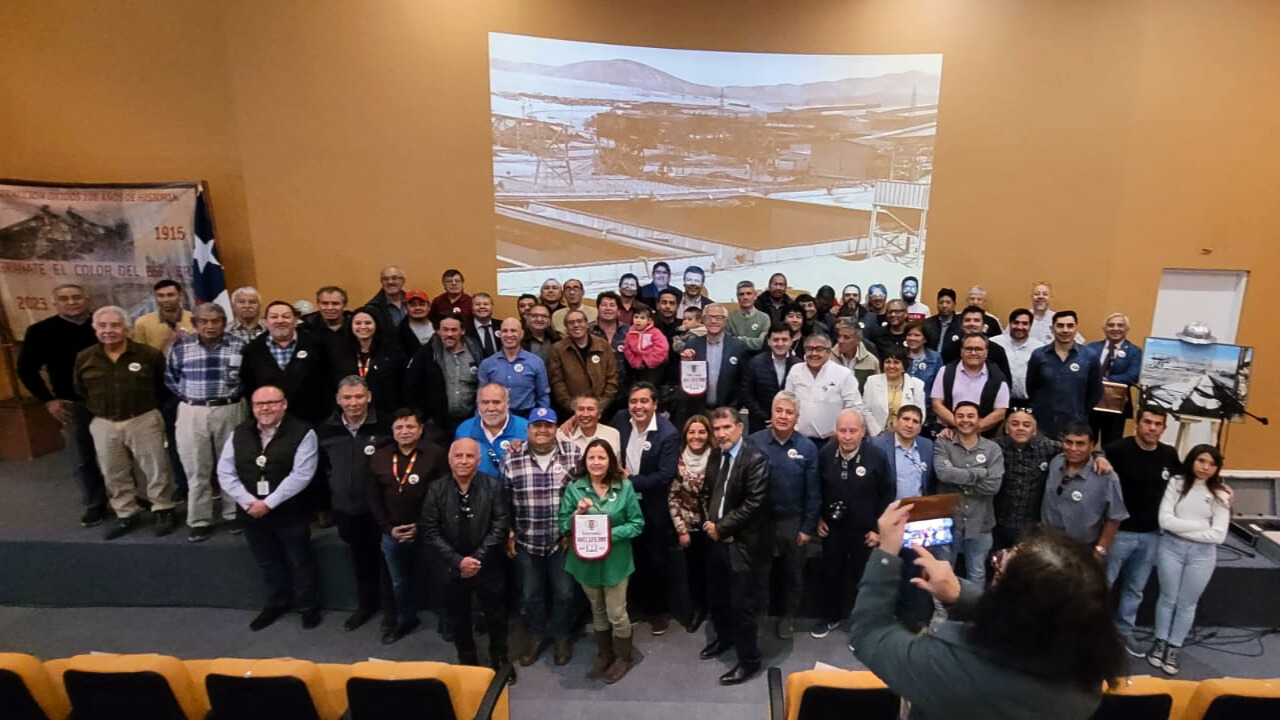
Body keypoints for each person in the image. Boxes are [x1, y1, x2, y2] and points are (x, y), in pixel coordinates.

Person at [849, 502, 1126, 719]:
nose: (996, 561)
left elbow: (870, 634)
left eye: (999, 568)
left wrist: (886, 552)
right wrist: (962, 596)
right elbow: (1022, 622)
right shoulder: (1086, 671)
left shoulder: (949, 664)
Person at [217, 385, 322, 631]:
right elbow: (225, 471)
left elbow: (302, 474)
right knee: (268, 562)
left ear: (284, 404)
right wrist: (248, 502)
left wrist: (269, 503)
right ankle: (277, 603)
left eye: (271, 402)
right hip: (251, 512)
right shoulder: (240, 432)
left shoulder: (303, 431)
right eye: (259, 404)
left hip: (290, 511)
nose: (265, 408)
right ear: (252, 407)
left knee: (300, 561)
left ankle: (308, 607)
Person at [74, 305, 180, 540]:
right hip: (103, 422)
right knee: (113, 470)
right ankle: (126, 512)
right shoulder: (85, 358)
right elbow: (80, 390)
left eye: (115, 325)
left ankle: (163, 508)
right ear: (95, 329)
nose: (108, 330)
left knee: (155, 468)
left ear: (127, 329)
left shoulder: (148, 355)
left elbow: (164, 388)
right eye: (102, 326)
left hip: (142, 418)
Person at [421, 438, 513, 677]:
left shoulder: (493, 486)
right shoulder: (436, 489)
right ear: (449, 459)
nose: (463, 461)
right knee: (458, 618)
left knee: (496, 615)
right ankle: (467, 659)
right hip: (451, 567)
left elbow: (500, 525)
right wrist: (457, 561)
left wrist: (477, 559)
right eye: (458, 456)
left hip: (487, 564)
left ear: (479, 460)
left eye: (469, 456)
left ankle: (500, 657)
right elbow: (430, 531)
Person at [17, 283, 105, 526]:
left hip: (109, 402)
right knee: (81, 456)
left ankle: (127, 498)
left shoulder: (103, 326)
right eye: (64, 299)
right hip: (71, 403)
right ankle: (94, 503)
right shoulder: (40, 331)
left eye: (76, 297)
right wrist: (47, 400)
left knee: (118, 454)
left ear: (87, 299)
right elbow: (26, 369)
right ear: (55, 303)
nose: (71, 302)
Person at [502, 407, 583, 667]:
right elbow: (503, 501)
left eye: (548, 425)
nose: (542, 430)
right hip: (526, 540)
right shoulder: (511, 458)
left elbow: (585, 494)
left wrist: (573, 531)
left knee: (565, 593)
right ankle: (537, 635)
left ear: (556, 428)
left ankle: (561, 635)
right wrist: (510, 532)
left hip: (563, 540)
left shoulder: (573, 454)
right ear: (528, 430)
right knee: (529, 595)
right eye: (537, 426)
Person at [560, 438, 646, 683]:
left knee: (617, 612)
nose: (596, 462)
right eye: (591, 458)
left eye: (601, 457)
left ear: (610, 462)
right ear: (585, 461)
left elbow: (637, 524)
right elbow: (564, 525)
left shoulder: (625, 487)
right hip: (585, 561)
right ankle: (604, 654)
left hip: (616, 561)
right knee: (597, 610)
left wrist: (607, 534)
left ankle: (623, 657)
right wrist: (578, 514)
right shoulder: (575, 488)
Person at [698, 407, 771, 685]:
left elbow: (754, 504)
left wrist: (724, 528)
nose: (721, 434)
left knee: (742, 606)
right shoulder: (716, 454)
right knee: (717, 598)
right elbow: (706, 492)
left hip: (742, 544)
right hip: (715, 540)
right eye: (716, 429)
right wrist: (709, 524)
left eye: (726, 427)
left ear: (739, 428)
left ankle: (749, 661)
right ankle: (724, 639)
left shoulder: (756, 459)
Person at [316, 376, 395, 633]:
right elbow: (322, 469)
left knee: (387, 563)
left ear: (369, 397)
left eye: (359, 397)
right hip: (346, 509)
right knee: (360, 561)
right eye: (347, 398)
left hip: (382, 510)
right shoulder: (326, 429)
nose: (353, 403)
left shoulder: (386, 425)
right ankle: (366, 605)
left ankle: (391, 611)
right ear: (338, 400)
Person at [165, 303, 247, 541]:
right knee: (196, 466)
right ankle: (200, 519)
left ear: (224, 322)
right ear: (195, 323)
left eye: (216, 321)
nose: (210, 326)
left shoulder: (239, 345)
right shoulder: (181, 346)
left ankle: (234, 513)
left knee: (232, 464)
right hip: (193, 410)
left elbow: (247, 376)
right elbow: (171, 378)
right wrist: (193, 400)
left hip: (230, 408)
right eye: (204, 321)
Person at [1149, 444, 1232, 676]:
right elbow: (1165, 521)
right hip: (1171, 548)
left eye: (1211, 464)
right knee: (1167, 598)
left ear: (1217, 468)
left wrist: (1183, 527)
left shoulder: (1221, 494)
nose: (1205, 467)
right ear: (1192, 460)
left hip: (1202, 555)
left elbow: (1219, 534)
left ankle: (1174, 646)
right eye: (1201, 461)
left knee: (1187, 603)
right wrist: (1200, 526)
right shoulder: (1176, 483)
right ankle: (1160, 641)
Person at [1104, 408, 1181, 656]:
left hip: (1151, 536)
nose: (1152, 428)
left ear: (1164, 428)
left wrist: (1220, 489)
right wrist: (1098, 457)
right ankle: (1094, 633)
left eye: (1158, 424)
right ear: (1137, 424)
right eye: (1147, 422)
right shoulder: (1117, 450)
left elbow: (1184, 484)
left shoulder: (1169, 455)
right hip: (1119, 533)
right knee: (1103, 585)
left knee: (1135, 589)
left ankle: (1124, 633)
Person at [812, 410, 894, 640]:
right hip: (833, 529)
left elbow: (887, 494)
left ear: (863, 432)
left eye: (852, 431)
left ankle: (860, 626)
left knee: (863, 579)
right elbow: (816, 489)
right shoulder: (826, 453)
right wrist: (819, 517)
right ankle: (831, 616)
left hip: (865, 531)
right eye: (842, 431)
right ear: (836, 431)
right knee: (831, 574)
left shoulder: (877, 456)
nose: (847, 436)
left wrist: (879, 530)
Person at [369, 408, 446, 644]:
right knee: (399, 581)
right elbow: (373, 497)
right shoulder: (379, 457)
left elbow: (444, 496)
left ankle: (447, 622)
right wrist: (387, 528)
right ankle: (405, 619)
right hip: (392, 532)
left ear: (421, 429)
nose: (405, 432)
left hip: (430, 531)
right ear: (392, 431)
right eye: (399, 427)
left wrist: (422, 525)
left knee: (439, 578)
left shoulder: (436, 455)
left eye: (410, 426)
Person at [610, 382, 680, 634]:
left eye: (643, 401)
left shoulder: (667, 433)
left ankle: (658, 611)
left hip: (653, 506)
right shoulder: (619, 420)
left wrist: (629, 480)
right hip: (624, 505)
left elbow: (665, 476)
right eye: (633, 401)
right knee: (632, 556)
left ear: (655, 404)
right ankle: (638, 605)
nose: (637, 407)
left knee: (656, 559)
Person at [749, 392, 819, 640]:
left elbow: (813, 492)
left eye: (789, 412)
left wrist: (807, 527)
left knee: (793, 574)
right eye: (779, 410)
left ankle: (788, 617)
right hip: (760, 522)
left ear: (797, 418)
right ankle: (759, 615)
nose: (783, 416)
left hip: (793, 521)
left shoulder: (807, 448)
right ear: (771, 413)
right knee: (760, 574)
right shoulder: (754, 441)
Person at [934, 401, 1004, 583]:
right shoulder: (943, 442)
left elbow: (993, 486)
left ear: (979, 419)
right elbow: (942, 474)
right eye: (961, 416)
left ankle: (972, 612)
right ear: (954, 419)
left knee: (977, 573)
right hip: (948, 521)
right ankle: (942, 613)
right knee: (943, 574)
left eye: (971, 416)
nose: (966, 420)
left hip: (980, 522)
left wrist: (957, 479)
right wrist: (980, 473)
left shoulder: (992, 449)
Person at [240, 300, 336, 426]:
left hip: (312, 420)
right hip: (269, 422)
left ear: (296, 320)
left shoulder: (316, 345)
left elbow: (328, 382)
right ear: (265, 322)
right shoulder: (252, 349)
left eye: (286, 316)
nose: (280, 321)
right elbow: (248, 386)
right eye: (274, 317)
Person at [1040, 422, 1128, 555]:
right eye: (1068, 442)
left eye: (1080, 444)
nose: (1073, 448)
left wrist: (1099, 551)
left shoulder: (1106, 477)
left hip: (1081, 549)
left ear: (1092, 446)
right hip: (1046, 543)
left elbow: (1115, 518)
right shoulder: (1056, 462)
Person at [669, 415, 713, 633]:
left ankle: (716, 610)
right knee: (694, 572)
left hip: (715, 526)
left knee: (716, 569)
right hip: (689, 527)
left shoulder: (718, 458)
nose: (697, 436)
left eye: (701, 432)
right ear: (685, 435)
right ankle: (699, 609)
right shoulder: (677, 461)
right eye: (692, 432)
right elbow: (673, 496)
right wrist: (681, 529)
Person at [1026, 311, 1103, 439]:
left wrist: (1080, 412)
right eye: (1060, 326)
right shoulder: (1039, 355)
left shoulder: (1090, 357)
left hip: (1075, 424)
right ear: (1052, 328)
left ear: (1076, 328)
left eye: (1070, 326)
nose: (1065, 330)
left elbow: (1095, 391)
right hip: (1042, 423)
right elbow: (1031, 388)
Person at [785, 332, 869, 445]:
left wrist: (840, 432)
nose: (814, 353)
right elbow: (787, 402)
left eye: (819, 349)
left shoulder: (843, 374)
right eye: (809, 349)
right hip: (798, 439)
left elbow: (855, 407)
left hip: (831, 441)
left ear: (828, 351)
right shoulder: (796, 370)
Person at [407, 315, 477, 437]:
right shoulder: (426, 354)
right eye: (445, 329)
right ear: (438, 331)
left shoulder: (476, 351)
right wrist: (423, 417)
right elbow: (411, 386)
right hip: (436, 424)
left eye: (454, 330)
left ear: (463, 331)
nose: (449, 334)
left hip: (470, 421)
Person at [931, 332, 1010, 437]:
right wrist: (959, 426)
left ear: (986, 352)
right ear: (961, 351)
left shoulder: (998, 377)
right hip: (948, 434)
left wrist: (972, 429)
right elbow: (936, 404)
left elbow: (1000, 413)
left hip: (983, 437)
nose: (973, 352)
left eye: (978, 349)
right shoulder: (945, 371)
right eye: (968, 349)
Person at [678, 304, 748, 417]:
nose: (713, 321)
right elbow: (684, 380)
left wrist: (733, 408)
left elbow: (744, 382)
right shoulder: (692, 344)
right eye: (709, 317)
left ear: (726, 321)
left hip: (727, 411)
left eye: (719, 317)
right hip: (698, 411)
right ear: (703, 320)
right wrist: (686, 364)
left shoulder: (738, 347)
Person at [334, 306, 406, 413]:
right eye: (358, 323)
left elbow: (401, 384)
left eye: (368, 323)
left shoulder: (392, 352)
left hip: (385, 413)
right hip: (351, 411)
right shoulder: (341, 353)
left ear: (376, 325)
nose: (363, 327)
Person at [547, 309, 618, 418]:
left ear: (586, 324)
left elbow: (612, 378)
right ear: (566, 327)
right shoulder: (557, 349)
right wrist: (573, 407)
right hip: (571, 413)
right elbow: (557, 383)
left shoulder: (603, 345)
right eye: (571, 323)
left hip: (603, 411)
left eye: (579, 321)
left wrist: (601, 405)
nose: (576, 325)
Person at [1088, 313, 1144, 445]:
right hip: (1091, 405)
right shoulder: (1091, 348)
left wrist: (1104, 380)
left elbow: (1132, 376)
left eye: (1120, 325)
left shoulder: (1134, 351)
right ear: (1104, 328)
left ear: (1127, 329)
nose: (1115, 328)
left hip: (1116, 406)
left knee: (1112, 445)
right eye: (1111, 325)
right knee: (1088, 441)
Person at [478, 317, 550, 417]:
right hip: (496, 417)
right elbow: (481, 398)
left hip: (526, 417)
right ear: (499, 334)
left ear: (521, 334)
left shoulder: (536, 362)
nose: (509, 335)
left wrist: (541, 420)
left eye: (513, 331)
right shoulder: (487, 364)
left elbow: (543, 396)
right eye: (504, 331)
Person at [455, 383, 529, 476]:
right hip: (477, 489)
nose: (491, 408)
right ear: (478, 404)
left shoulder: (526, 429)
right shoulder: (464, 429)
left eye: (496, 402)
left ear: (508, 403)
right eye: (485, 402)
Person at [739, 324, 801, 433]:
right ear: (768, 341)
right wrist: (768, 417)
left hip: (790, 426)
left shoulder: (799, 365)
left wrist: (783, 417)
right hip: (760, 424)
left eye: (784, 339)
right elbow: (746, 393)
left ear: (791, 341)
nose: (780, 343)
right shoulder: (755, 363)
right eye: (776, 340)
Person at [871, 404, 935, 501]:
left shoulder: (927, 446)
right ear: (896, 422)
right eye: (906, 419)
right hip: (888, 510)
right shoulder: (878, 445)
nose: (910, 425)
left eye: (915, 421)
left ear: (920, 428)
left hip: (920, 509)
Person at [862, 348, 928, 436]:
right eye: (888, 362)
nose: (891, 366)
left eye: (896, 362)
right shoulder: (872, 381)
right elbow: (866, 410)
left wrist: (906, 432)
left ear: (904, 365)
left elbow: (920, 415)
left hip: (905, 436)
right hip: (876, 436)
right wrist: (878, 434)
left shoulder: (917, 385)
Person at [990, 308, 1043, 406]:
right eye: (1016, 322)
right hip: (998, 402)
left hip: (1029, 402)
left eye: (1025, 323)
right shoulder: (994, 343)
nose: (1020, 327)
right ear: (1010, 323)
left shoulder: (1039, 348)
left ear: (1030, 326)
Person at [131, 279, 193, 351]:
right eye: (161, 296)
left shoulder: (194, 319)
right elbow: (139, 353)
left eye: (170, 295)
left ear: (180, 296)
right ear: (155, 297)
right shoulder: (142, 322)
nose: (165, 299)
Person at [556, 394, 622, 456]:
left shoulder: (612, 434)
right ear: (575, 413)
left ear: (599, 414)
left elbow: (616, 465)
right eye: (580, 409)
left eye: (590, 409)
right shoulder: (562, 435)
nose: (585, 414)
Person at [621, 303, 669, 387]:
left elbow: (662, 347)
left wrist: (649, 361)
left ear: (649, 320)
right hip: (638, 367)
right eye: (636, 317)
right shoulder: (630, 333)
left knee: (651, 386)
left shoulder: (655, 332)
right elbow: (627, 349)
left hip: (653, 366)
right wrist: (635, 362)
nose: (638, 320)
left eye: (642, 318)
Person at [830, 318, 880, 391]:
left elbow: (876, 390)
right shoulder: (828, 358)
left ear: (858, 339)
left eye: (846, 337)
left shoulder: (871, 361)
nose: (840, 341)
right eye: (839, 336)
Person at [904, 322, 943, 406]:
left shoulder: (935, 358)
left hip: (926, 407)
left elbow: (939, 387)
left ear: (925, 339)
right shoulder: (900, 355)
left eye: (917, 335)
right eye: (909, 335)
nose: (912, 338)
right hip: (902, 405)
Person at [725, 280, 770, 351]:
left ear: (755, 296)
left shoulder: (764, 318)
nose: (745, 297)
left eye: (749, 293)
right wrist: (754, 341)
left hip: (758, 358)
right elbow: (727, 343)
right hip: (735, 358)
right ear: (737, 297)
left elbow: (762, 343)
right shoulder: (730, 318)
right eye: (741, 294)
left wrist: (738, 339)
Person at [396, 289, 436, 356]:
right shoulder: (398, 333)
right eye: (412, 305)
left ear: (429, 307)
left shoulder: (440, 327)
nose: (417, 308)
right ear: (405, 308)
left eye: (422, 304)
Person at [922, 287, 960, 354]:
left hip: (951, 362)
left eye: (948, 302)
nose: (944, 306)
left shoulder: (960, 324)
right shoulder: (927, 323)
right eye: (941, 302)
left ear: (954, 304)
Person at [465, 292, 499, 359]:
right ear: (471, 308)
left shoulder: (502, 326)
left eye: (486, 304)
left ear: (492, 307)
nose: (482, 307)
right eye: (477, 304)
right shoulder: (465, 329)